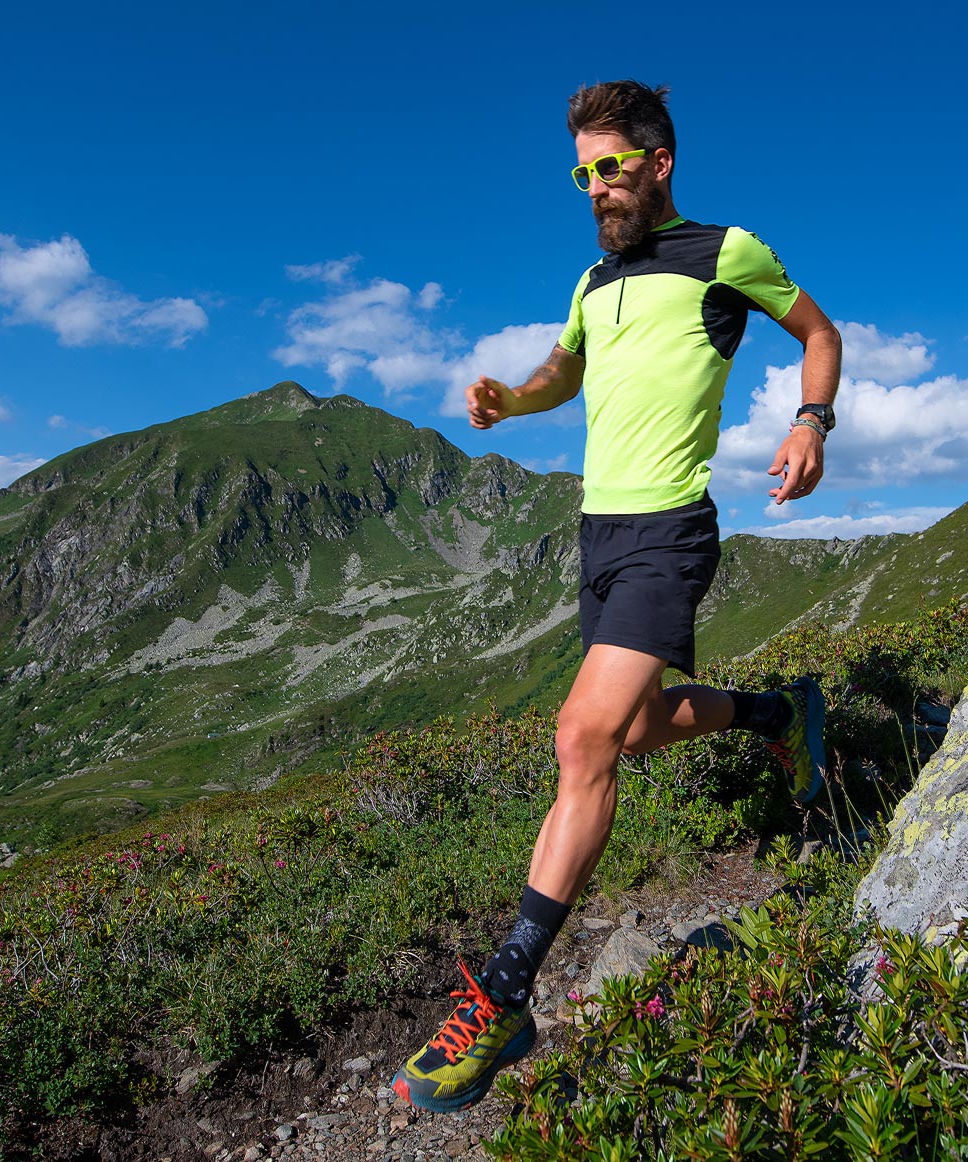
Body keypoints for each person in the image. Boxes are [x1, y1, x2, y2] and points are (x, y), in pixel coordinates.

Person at [392, 79, 843, 1113]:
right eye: (581, 172)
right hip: (599, 533)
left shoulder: (727, 252)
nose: (594, 186)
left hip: (671, 530)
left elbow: (819, 331)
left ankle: (504, 996)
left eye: (610, 166)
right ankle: (782, 712)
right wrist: (515, 394)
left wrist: (811, 419)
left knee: (580, 737)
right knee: (630, 732)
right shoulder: (593, 280)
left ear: (659, 162)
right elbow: (566, 367)